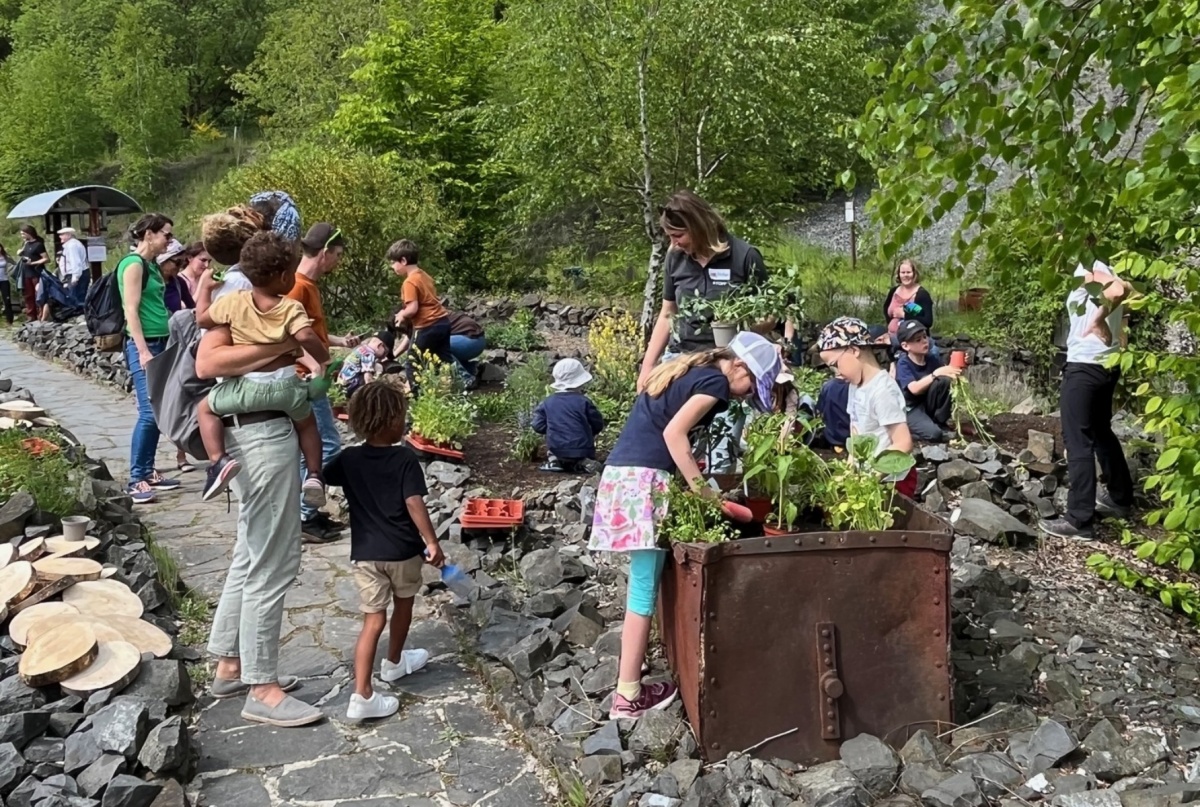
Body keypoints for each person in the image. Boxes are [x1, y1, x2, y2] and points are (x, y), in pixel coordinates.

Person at [593, 331, 780, 718]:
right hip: (644, 481)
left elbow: (667, 430)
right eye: (750, 386)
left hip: (624, 474)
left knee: (643, 578)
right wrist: (707, 495)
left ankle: (634, 662)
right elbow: (672, 433)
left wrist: (693, 472)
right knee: (644, 587)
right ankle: (627, 696)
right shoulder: (714, 380)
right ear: (740, 366)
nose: (746, 395)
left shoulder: (692, 370)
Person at [197, 324, 322, 729]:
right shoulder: (250, 299)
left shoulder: (232, 302)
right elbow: (207, 363)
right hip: (263, 435)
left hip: (246, 432)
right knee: (273, 564)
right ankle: (263, 689)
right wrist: (288, 347)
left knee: (250, 554)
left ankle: (232, 665)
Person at [323, 379, 442, 721]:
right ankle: (393, 662)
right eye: (402, 416)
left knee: (372, 620)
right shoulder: (404, 459)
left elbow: (324, 472)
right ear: (391, 421)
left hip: (365, 555)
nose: (404, 422)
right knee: (404, 605)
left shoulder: (348, 459)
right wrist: (431, 542)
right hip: (403, 551)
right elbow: (413, 501)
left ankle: (362, 694)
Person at [194, 231, 330, 506]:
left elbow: (202, 320)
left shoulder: (234, 302)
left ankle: (218, 461)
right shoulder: (290, 307)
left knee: (205, 409)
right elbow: (304, 337)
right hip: (287, 388)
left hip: (247, 388)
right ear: (283, 277)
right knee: (307, 425)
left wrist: (206, 289)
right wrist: (323, 358)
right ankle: (314, 475)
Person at [637, 191, 769, 472]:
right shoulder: (676, 259)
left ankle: (716, 505)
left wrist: (742, 322)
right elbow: (667, 314)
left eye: (678, 236)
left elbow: (770, 317)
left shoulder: (745, 257)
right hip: (683, 363)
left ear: (698, 226)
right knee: (670, 444)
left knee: (721, 455)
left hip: (728, 369)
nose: (673, 243)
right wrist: (648, 366)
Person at [1038, 257, 1135, 541]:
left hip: (1085, 367)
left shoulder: (1089, 271)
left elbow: (1118, 290)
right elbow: (1125, 287)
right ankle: (1120, 498)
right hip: (1106, 365)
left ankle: (1079, 520)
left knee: (1078, 439)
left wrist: (1096, 320)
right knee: (1100, 431)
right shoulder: (1106, 268)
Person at [289, 223, 360, 542]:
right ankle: (304, 517)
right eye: (339, 255)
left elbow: (311, 331)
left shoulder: (309, 285)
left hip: (313, 378)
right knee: (327, 446)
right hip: (306, 381)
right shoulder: (297, 286)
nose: (339, 262)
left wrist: (339, 342)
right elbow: (287, 335)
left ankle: (310, 514)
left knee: (312, 449)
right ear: (326, 252)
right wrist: (314, 366)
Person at [119, 214, 183, 504]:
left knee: (158, 411)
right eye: (166, 234)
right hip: (144, 344)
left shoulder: (151, 267)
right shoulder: (133, 265)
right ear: (148, 234)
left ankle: (146, 470)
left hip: (161, 342)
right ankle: (136, 478)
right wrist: (143, 350)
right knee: (149, 412)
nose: (169, 240)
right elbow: (130, 310)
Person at [817, 317, 917, 497]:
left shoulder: (882, 391)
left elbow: (903, 443)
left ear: (854, 350)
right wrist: (850, 468)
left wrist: (874, 475)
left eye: (835, 365)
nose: (837, 373)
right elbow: (855, 429)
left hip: (892, 480)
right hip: (867, 477)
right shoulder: (856, 386)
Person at [157, 239, 198, 473]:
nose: (178, 266)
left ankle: (181, 454)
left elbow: (193, 309)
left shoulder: (176, 283)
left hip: (178, 343)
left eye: (181, 261)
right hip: (159, 342)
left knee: (182, 394)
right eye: (176, 261)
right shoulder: (151, 281)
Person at [533, 358, 606, 473]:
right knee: (581, 453)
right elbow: (597, 423)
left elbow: (537, 426)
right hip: (582, 448)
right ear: (580, 383)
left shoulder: (548, 402)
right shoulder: (583, 402)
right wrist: (590, 431)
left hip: (557, 448)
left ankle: (555, 461)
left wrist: (553, 429)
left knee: (554, 451)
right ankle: (583, 462)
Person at [389, 240, 453, 367]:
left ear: (403, 261)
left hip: (426, 325)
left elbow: (413, 308)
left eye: (393, 262)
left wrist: (402, 314)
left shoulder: (409, 282)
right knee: (444, 361)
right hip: (442, 322)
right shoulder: (425, 276)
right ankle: (453, 385)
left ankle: (413, 387)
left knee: (412, 363)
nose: (392, 266)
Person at [894, 320, 959, 443]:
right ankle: (911, 432)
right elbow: (914, 389)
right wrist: (935, 374)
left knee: (944, 381)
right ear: (905, 346)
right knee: (935, 435)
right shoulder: (903, 363)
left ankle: (939, 422)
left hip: (927, 403)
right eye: (918, 340)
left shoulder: (931, 358)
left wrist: (957, 365)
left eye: (924, 336)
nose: (924, 341)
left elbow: (946, 375)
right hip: (910, 408)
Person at [336, 331, 397, 399]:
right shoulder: (369, 355)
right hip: (351, 386)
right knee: (378, 368)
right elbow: (367, 376)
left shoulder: (361, 349)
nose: (384, 357)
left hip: (341, 382)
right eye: (385, 353)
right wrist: (372, 392)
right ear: (379, 345)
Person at [17, 225, 48, 321]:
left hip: (36, 272)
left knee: (37, 294)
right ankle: (31, 315)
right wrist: (21, 251)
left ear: (29, 233)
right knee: (28, 295)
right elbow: (21, 254)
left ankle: (40, 315)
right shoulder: (25, 244)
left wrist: (33, 263)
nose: (22, 235)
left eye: (23, 233)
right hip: (26, 273)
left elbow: (46, 259)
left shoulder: (38, 245)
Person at [448, 311, 486, 387]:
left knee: (437, 346)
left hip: (470, 341)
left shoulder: (428, 317)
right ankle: (473, 368)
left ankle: (466, 379)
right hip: (479, 340)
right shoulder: (437, 310)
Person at [58, 227, 90, 308]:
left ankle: (79, 316)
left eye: (62, 234)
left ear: (69, 235)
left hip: (76, 274)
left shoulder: (72, 246)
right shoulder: (72, 244)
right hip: (77, 274)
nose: (59, 237)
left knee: (76, 299)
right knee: (76, 297)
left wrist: (75, 277)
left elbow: (75, 262)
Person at [0, 243, 14, 325]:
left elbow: (14, 264)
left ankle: (9, 320)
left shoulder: (5, 257)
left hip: (4, 280)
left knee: (7, 300)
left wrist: (9, 272)